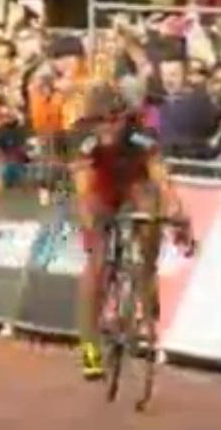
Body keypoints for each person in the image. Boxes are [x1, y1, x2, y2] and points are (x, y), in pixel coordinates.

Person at [71, 84, 196, 380]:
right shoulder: (86, 139)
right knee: (96, 265)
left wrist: (177, 212)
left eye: (112, 121)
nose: (107, 128)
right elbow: (82, 185)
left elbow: (160, 177)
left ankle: (146, 273)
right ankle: (89, 346)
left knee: (150, 205)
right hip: (102, 190)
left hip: (136, 186)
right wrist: (90, 222)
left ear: (123, 117)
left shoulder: (140, 135)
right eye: (99, 122)